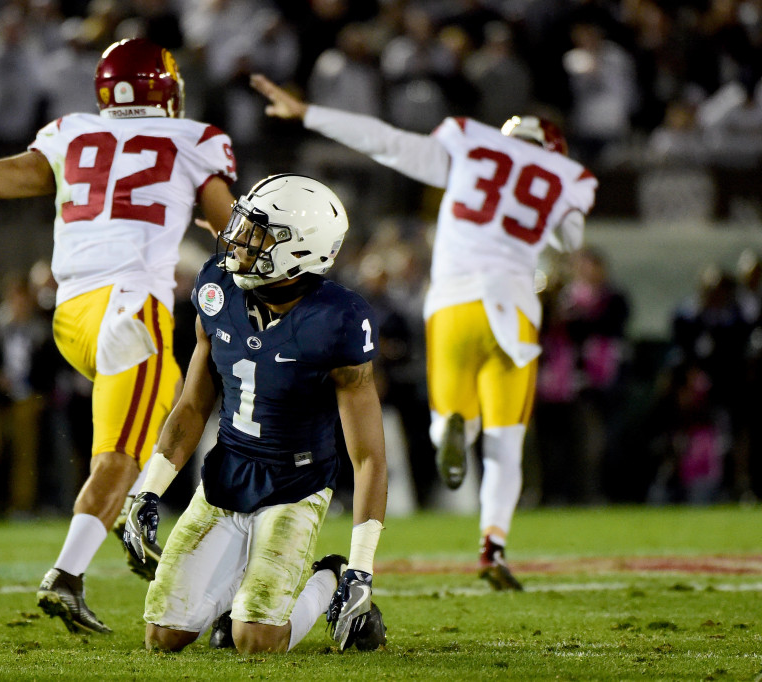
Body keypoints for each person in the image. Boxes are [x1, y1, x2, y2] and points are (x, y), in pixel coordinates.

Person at [0, 38, 238, 633]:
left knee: (144, 419)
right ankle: (120, 525)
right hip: (131, 308)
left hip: (70, 315)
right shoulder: (196, 139)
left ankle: (92, 545)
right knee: (162, 411)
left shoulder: (70, 132)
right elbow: (233, 234)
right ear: (165, 90)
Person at [251, 74, 598, 591]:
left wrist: (309, 113)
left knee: (449, 411)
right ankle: (493, 544)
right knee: (508, 439)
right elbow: (570, 238)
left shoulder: (470, 144)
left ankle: (452, 428)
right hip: (515, 305)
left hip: (455, 301)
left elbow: (387, 141)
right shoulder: (567, 176)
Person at [122, 174, 388, 654]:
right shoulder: (216, 286)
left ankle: (326, 578)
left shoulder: (338, 319)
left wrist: (360, 570)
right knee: (163, 637)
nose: (239, 240)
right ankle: (235, 593)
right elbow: (192, 406)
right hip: (227, 474)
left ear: (300, 250)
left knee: (256, 641)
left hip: (296, 486)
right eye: (244, 226)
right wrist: (148, 490)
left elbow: (368, 456)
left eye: (258, 233)